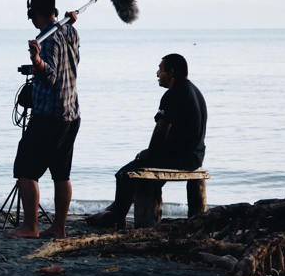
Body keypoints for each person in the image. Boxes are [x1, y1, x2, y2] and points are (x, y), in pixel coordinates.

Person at [87, 53, 207, 228]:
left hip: (180, 158)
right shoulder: (195, 91)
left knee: (124, 173)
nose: (157, 73)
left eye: (160, 69)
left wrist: (150, 153)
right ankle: (114, 211)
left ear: (171, 71)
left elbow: (161, 130)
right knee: (140, 168)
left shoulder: (172, 95)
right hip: (195, 157)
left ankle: (117, 218)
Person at [6, 0, 80, 239]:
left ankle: (30, 226)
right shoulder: (70, 31)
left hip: (50, 115)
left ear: (35, 13)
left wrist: (36, 59)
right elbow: (71, 50)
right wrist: (70, 20)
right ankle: (59, 227)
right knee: (61, 172)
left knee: (26, 169)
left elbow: (50, 75)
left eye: (31, 15)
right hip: (71, 113)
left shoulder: (46, 38)